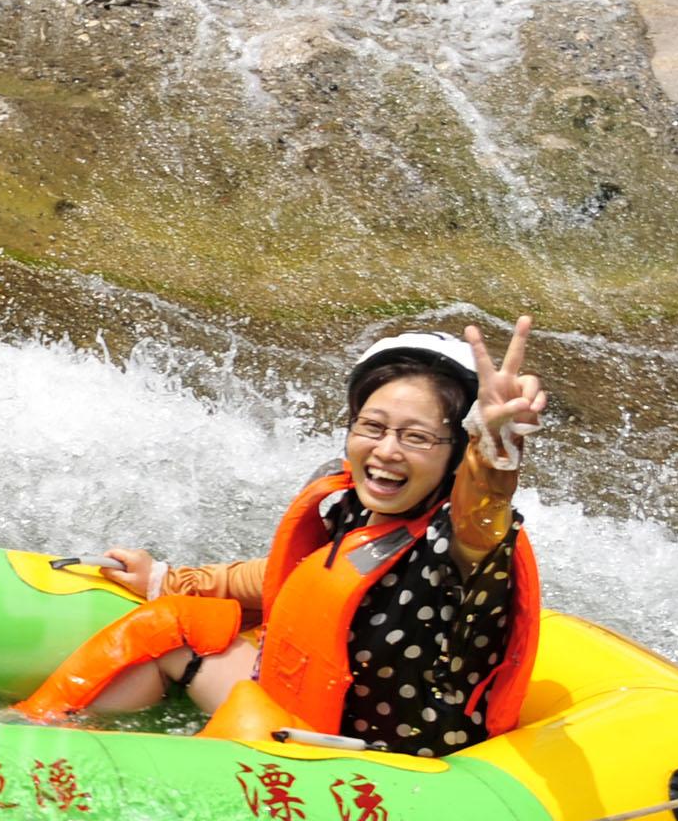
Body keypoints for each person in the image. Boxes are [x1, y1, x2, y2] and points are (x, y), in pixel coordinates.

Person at [27, 321, 550, 758]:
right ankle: (36, 733)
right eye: (373, 426)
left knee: (249, 717)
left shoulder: (465, 543)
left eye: (416, 437)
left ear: (456, 453)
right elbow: (296, 575)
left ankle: (134, 797)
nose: (387, 450)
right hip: (305, 704)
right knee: (169, 630)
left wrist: (495, 448)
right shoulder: (354, 504)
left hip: (379, 757)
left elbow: (484, 510)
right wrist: (172, 579)